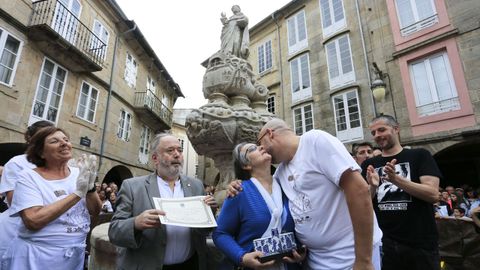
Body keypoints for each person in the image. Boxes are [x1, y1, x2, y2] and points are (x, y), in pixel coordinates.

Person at [230, 119, 382, 270]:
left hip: (350, 256)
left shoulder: (315, 141)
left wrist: (364, 260)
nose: (261, 148)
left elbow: (359, 191)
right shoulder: (280, 172)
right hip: (314, 260)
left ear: (270, 134)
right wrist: (236, 185)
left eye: (260, 143)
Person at [108, 133, 217, 270]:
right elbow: (114, 232)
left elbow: (204, 231)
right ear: (155, 158)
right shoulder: (132, 187)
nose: (177, 154)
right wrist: (136, 223)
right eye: (170, 150)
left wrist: (208, 213)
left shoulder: (196, 186)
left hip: (190, 265)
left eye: (180, 150)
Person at [1, 127, 101, 270]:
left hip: (73, 257)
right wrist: (77, 194)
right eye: (54, 141)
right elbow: (33, 220)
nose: (64, 143)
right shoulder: (29, 177)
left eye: (66, 140)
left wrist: (90, 189)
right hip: (37, 257)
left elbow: (95, 211)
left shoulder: (79, 173)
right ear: (41, 152)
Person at [362, 114, 442, 270]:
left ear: (396, 129)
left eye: (381, 130)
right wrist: (372, 187)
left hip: (420, 244)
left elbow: (433, 195)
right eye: (374, 133)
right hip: (385, 245)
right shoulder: (369, 164)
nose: (377, 136)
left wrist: (396, 180)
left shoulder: (420, 155)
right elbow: (364, 203)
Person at [213, 143, 304, 269]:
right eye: (252, 149)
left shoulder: (287, 186)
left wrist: (300, 250)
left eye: (259, 145)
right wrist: (242, 257)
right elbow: (220, 233)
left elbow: (301, 222)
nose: (261, 147)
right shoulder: (239, 192)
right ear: (246, 165)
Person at [0, 120, 54, 259]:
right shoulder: (17, 162)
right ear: (32, 140)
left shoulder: (56, 164)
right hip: (16, 229)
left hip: (47, 232)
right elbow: (15, 203)